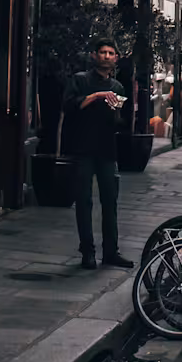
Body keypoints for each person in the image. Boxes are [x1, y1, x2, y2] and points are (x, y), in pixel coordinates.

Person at [63, 35, 133, 271]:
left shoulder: (118, 87)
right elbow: (70, 107)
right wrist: (95, 96)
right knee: (83, 201)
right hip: (82, 148)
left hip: (107, 150)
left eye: (110, 53)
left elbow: (121, 122)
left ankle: (111, 251)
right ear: (94, 56)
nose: (106, 56)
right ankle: (87, 252)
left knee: (110, 202)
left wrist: (115, 111)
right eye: (102, 52)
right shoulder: (80, 80)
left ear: (116, 58)